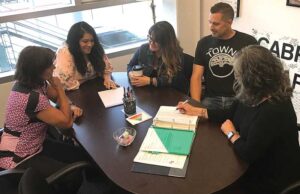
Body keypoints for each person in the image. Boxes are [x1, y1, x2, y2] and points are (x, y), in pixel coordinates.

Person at [177, 45, 300, 194]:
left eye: (238, 74)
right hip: (250, 161)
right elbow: (231, 113)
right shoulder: (253, 93)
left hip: (270, 176)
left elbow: (248, 152)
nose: (236, 77)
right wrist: (198, 111)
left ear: (251, 79)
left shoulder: (274, 109)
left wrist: (231, 134)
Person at [0, 46, 87, 193]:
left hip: (35, 143)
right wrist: (60, 88)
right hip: (19, 158)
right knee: (73, 174)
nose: (54, 67)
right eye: (50, 65)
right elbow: (66, 122)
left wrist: (69, 106)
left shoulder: (33, 83)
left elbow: (56, 99)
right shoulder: (31, 98)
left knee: (79, 154)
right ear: (37, 69)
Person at [190, 2, 257, 109]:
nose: (211, 27)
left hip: (238, 99)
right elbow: (196, 77)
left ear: (229, 22)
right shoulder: (203, 43)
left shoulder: (248, 42)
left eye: (216, 24)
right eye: (209, 22)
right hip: (211, 99)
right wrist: (196, 104)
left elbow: (255, 76)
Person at [127, 21, 189, 94]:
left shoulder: (176, 55)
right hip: (149, 93)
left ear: (166, 42)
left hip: (170, 94)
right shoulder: (143, 49)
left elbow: (174, 80)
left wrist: (150, 81)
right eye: (150, 37)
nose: (151, 42)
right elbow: (130, 65)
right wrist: (130, 73)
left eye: (156, 41)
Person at [54, 21, 117, 90]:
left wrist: (107, 78)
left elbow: (106, 68)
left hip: (93, 87)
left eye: (92, 40)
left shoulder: (96, 47)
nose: (90, 44)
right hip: (74, 93)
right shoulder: (65, 52)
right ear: (75, 42)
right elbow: (62, 83)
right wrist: (85, 80)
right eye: (85, 41)